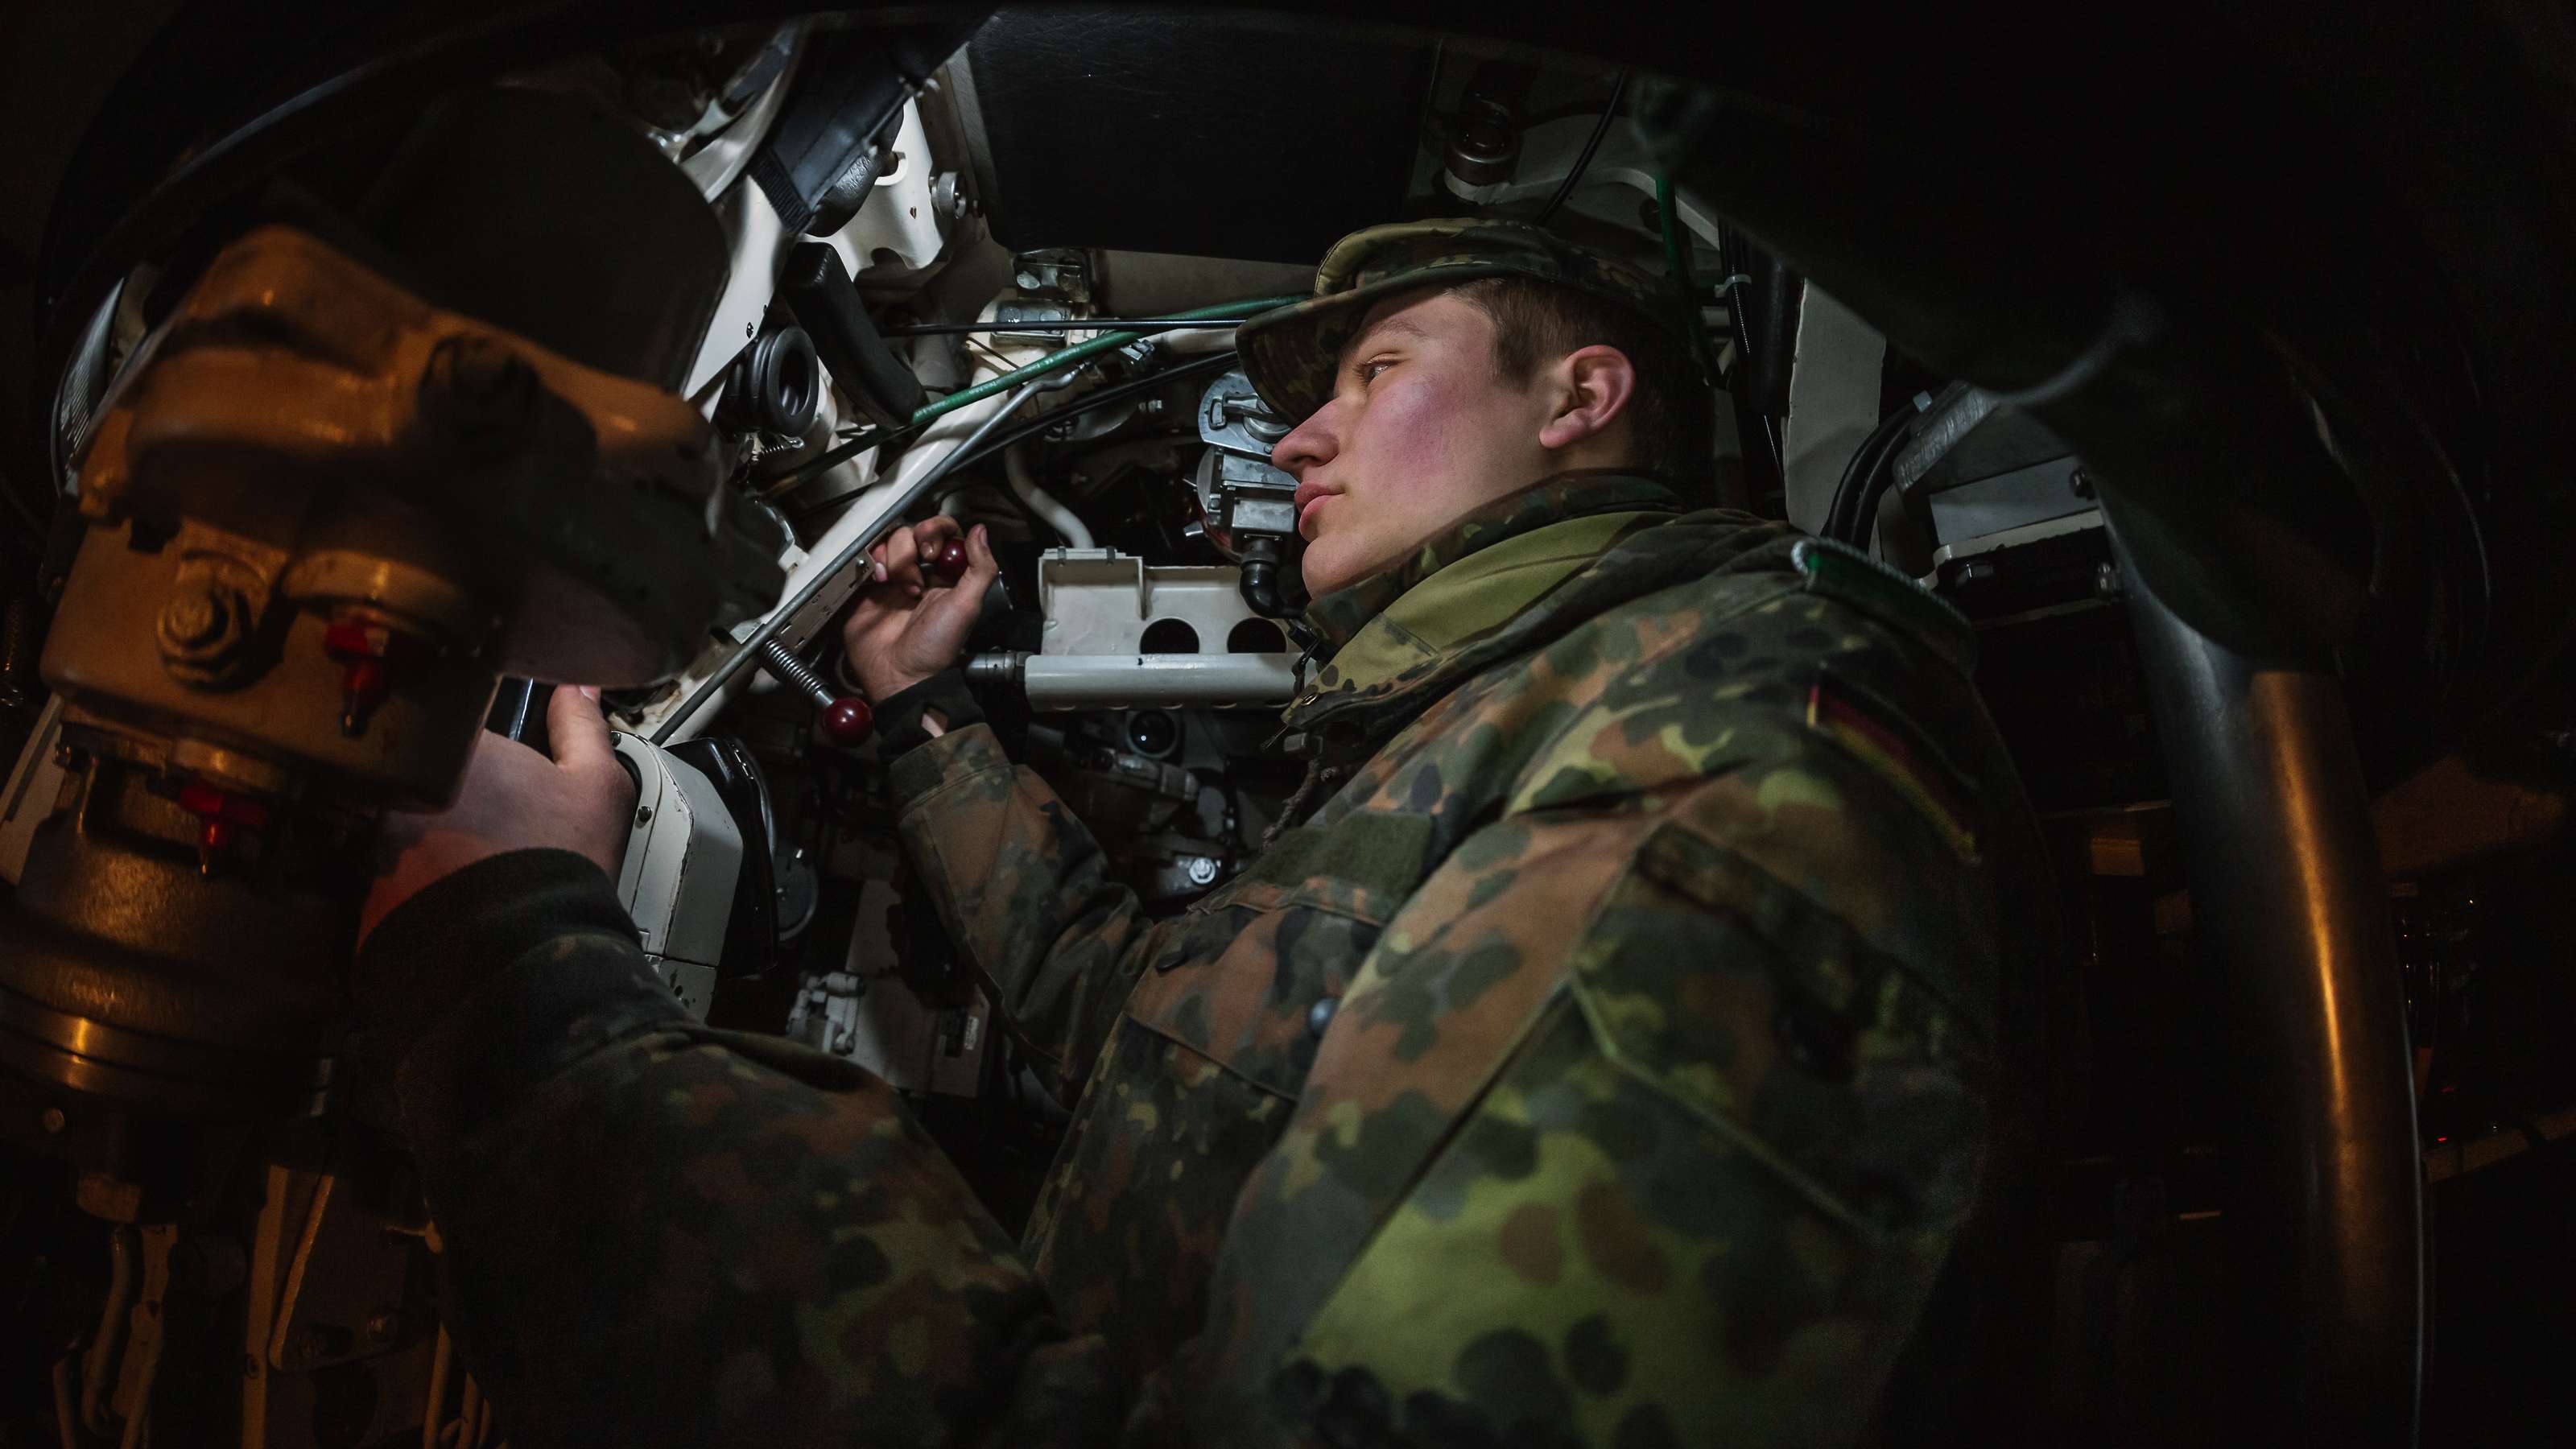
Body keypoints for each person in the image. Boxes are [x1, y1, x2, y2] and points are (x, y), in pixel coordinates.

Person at [357, 220, 2050, 1447]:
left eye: (1376, 369)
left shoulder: (1721, 731)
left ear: (1580, 394)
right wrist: (927, 714)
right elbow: (1140, 1028)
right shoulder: (1487, 728)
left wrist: (531, 995)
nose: (1299, 431)